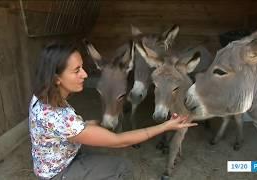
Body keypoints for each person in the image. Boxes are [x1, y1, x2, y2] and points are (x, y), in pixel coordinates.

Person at [29, 42, 197, 180]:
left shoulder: (40, 97)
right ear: (57, 78)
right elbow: (118, 141)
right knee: (122, 167)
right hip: (58, 174)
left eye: (83, 67)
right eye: (76, 70)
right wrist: (165, 126)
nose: (85, 74)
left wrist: (90, 124)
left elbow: (65, 130)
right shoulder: (60, 117)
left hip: (55, 162)